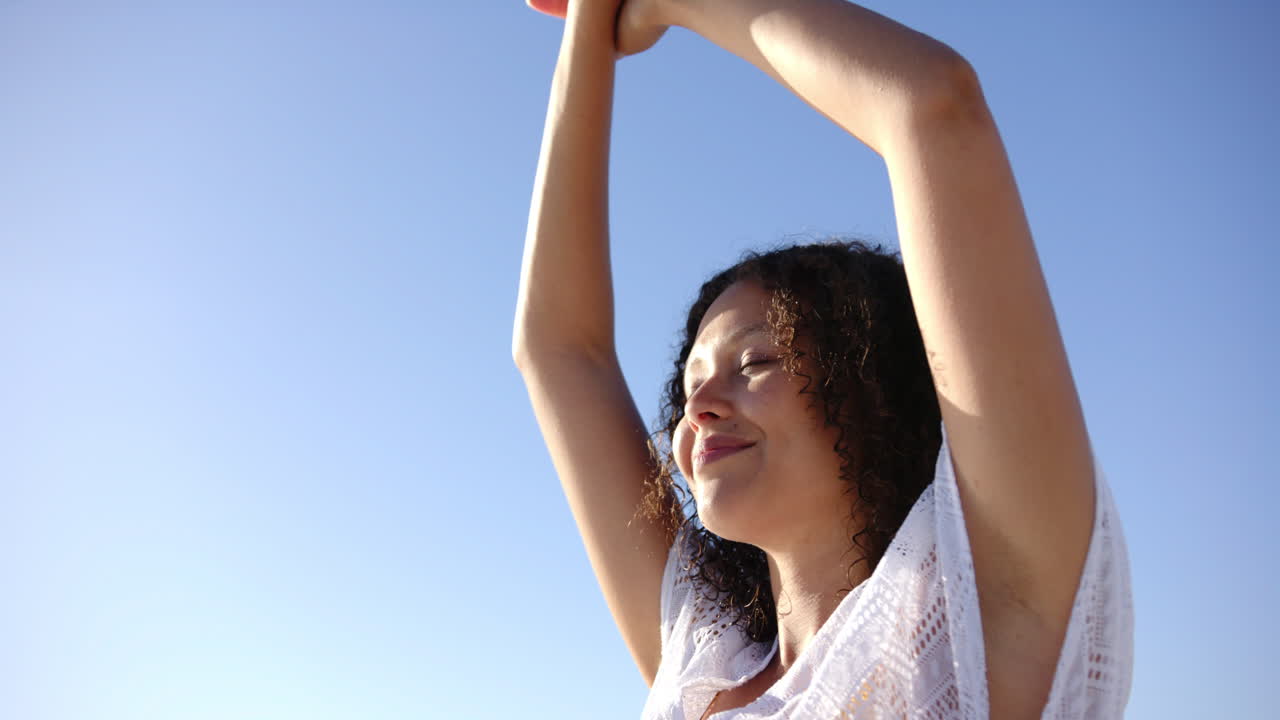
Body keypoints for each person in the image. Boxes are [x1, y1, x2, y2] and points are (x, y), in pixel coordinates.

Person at [512, 0, 1134, 718]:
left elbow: (933, 105)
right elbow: (559, 350)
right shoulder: (699, 662)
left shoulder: (987, 618)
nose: (701, 409)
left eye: (754, 365)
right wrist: (588, 27)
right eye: (691, 387)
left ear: (874, 386)